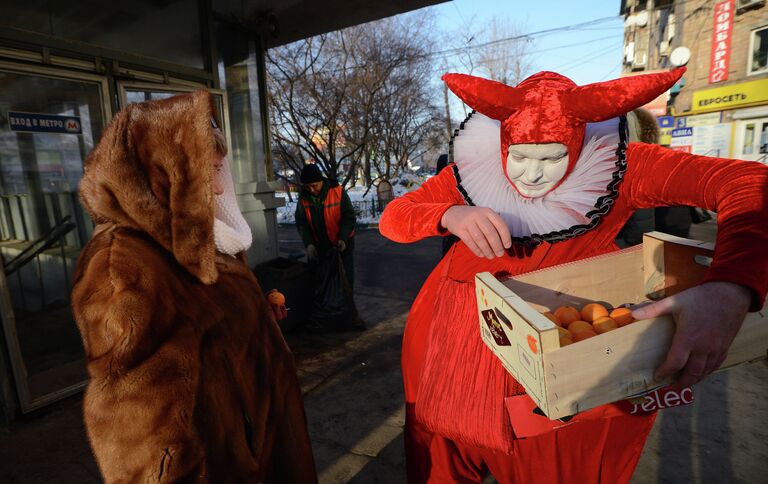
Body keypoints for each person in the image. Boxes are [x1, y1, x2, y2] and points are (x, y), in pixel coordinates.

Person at [379, 68, 768, 483]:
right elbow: (394, 218)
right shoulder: (472, 173)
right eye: (521, 156)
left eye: (551, 157)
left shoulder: (617, 166)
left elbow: (748, 182)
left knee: (559, 466)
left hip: (556, 350)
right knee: (440, 464)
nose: (531, 174)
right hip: (444, 339)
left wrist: (730, 286)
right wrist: (447, 213)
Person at [71, 91, 316, 483]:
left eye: (222, 170)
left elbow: (207, 326)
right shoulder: (126, 264)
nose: (220, 189)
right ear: (166, 176)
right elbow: (140, 433)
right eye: (210, 172)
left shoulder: (203, 240)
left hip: (262, 451)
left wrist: (254, 317)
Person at [295, 163, 357, 286]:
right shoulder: (303, 199)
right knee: (321, 284)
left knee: (345, 282)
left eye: (314, 185)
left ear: (321, 181)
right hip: (320, 249)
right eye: (307, 187)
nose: (311, 190)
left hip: (342, 247)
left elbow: (349, 217)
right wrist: (309, 244)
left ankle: (346, 304)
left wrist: (342, 239)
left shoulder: (337, 192)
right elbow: (302, 223)